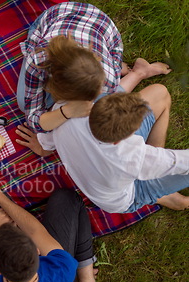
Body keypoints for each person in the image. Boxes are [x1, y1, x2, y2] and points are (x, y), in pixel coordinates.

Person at [18, 86, 189, 213]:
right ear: (122, 139)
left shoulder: (65, 113)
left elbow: (48, 143)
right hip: (127, 197)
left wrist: (43, 146)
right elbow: (182, 163)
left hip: (102, 192)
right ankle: (162, 195)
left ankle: (157, 190)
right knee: (161, 93)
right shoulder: (135, 156)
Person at [17, 2, 171, 134]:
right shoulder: (38, 60)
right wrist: (67, 112)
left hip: (106, 30)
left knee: (104, 100)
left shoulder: (109, 79)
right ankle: (137, 72)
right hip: (58, 14)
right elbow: (33, 119)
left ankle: (139, 73)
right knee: (23, 103)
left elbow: (104, 100)